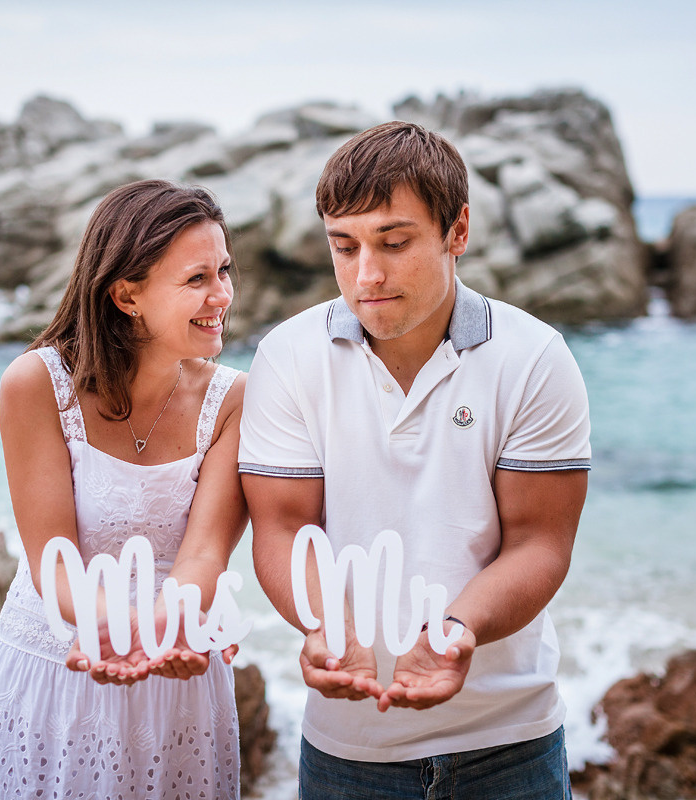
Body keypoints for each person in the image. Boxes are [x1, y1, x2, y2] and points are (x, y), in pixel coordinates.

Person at [238, 122, 590, 799]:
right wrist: (326, 626)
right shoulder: (288, 356)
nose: (366, 274)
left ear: (457, 231)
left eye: (394, 243)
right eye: (345, 247)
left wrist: (459, 631)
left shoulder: (535, 357)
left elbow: (540, 543)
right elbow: (281, 530)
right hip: (347, 746)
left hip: (509, 740)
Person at [0, 179, 249, 800]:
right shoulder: (36, 385)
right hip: (54, 669)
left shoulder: (233, 400)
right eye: (197, 279)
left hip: (179, 676)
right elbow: (50, 558)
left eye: (224, 271)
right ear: (126, 295)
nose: (222, 295)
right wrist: (113, 629)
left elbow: (204, 555)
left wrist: (166, 626)